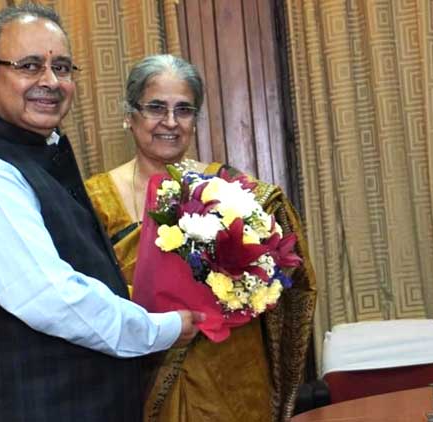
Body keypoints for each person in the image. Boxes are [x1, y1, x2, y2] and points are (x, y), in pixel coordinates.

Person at [0, 6, 203, 422]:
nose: (50, 82)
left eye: (61, 67)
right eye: (29, 66)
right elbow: (55, 299)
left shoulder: (38, 153)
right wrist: (160, 329)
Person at [85, 54, 317, 422]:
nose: (171, 122)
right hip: (140, 375)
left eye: (185, 109)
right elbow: (81, 296)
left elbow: (286, 277)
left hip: (231, 377)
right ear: (129, 115)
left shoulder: (231, 190)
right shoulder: (94, 199)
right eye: (156, 108)